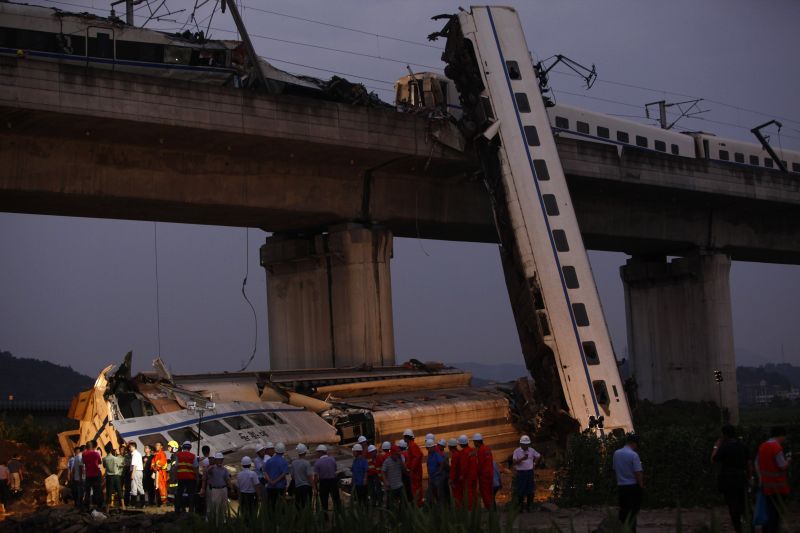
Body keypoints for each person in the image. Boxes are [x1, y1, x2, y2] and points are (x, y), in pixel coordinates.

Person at [711, 425, 750, 533]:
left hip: (728, 480)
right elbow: (748, 464)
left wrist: (716, 446)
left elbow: (713, 459)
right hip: (741, 478)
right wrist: (749, 477)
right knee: (743, 504)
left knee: (732, 506)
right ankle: (747, 525)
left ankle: (738, 528)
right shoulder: (743, 446)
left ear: (724, 435)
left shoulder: (724, 447)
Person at [757, 426, 792, 533]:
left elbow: (757, 463)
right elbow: (782, 466)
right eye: (784, 436)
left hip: (766, 485)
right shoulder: (776, 448)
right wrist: (789, 460)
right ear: (780, 435)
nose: (784, 439)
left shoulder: (762, 446)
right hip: (777, 486)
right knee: (776, 513)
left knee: (768, 511)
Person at [612, 434, 643, 532]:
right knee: (632, 513)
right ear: (634, 444)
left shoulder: (616, 453)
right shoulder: (634, 455)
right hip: (632, 487)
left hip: (621, 487)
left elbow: (615, 469)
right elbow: (638, 472)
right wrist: (641, 486)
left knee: (623, 512)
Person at [512, 435, 541, 512]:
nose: (526, 446)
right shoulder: (516, 451)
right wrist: (522, 459)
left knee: (530, 489)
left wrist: (534, 464)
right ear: (521, 444)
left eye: (527, 444)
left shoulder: (531, 450)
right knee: (521, 489)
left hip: (529, 472)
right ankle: (520, 507)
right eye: (524, 444)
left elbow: (538, 456)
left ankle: (529, 506)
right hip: (521, 473)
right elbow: (514, 462)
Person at [202, 453, 229, 526]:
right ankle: (209, 520)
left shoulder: (222, 468)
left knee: (220, 505)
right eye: (210, 458)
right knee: (210, 505)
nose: (211, 459)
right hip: (210, 488)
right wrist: (203, 489)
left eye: (212, 458)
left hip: (217, 489)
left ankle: (221, 520)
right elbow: (205, 477)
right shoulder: (209, 468)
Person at [174, 441, 199, 514]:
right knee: (191, 495)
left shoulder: (178, 455)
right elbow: (196, 468)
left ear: (183, 447)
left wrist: (175, 477)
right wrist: (197, 478)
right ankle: (191, 510)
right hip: (191, 478)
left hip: (181, 478)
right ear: (190, 448)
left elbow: (176, 467)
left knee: (179, 494)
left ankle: (180, 510)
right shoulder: (193, 456)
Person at [314, 444, 340, 511]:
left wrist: (315, 486)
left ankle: (325, 517)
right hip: (333, 481)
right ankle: (339, 514)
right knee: (336, 499)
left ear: (321, 452)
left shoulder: (317, 463)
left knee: (324, 500)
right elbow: (335, 470)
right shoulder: (332, 459)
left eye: (317, 452)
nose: (317, 453)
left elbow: (316, 477)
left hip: (323, 482)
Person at [382, 445, 407, 511]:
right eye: (396, 454)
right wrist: (386, 482)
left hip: (400, 486)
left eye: (398, 454)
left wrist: (401, 459)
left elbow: (404, 469)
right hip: (391, 487)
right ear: (392, 453)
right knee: (391, 506)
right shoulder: (387, 461)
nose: (397, 456)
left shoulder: (399, 460)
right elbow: (383, 472)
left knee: (403, 504)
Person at [402, 429, 424, 506]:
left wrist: (411, 469)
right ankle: (418, 503)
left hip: (415, 472)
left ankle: (418, 504)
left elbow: (417, 457)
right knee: (415, 487)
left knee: (416, 487)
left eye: (404, 437)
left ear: (407, 437)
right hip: (415, 471)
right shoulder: (411, 445)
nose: (403, 439)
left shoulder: (412, 445)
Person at [264, 442, 289, 510]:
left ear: (275, 450)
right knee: (280, 507)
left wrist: (271, 482)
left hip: (270, 487)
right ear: (283, 451)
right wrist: (275, 481)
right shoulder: (284, 461)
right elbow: (284, 474)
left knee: (271, 506)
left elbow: (265, 473)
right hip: (280, 487)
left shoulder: (269, 461)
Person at [456, 434, 478, 510]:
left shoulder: (463, 453)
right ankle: (476, 508)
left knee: (469, 493)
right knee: (474, 491)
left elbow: (464, 466)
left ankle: (470, 509)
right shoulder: (472, 451)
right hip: (474, 474)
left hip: (467, 476)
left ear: (461, 444)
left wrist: (461, 475)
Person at [289, 444, 314, 509]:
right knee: (307, 505)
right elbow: (309, 477)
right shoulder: (307, 463)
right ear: (305, 452)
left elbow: (292, 476)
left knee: (298, 506)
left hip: (297, 487)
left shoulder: (293, 463)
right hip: (306, 487)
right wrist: (314, 487)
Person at [473, 433, 494, 510]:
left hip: (483, 475)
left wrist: (476, 473)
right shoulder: (487, 449)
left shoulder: (480, 451)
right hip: (490, 473)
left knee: (485, 492)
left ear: (477, 442)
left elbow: (480, 464)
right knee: (489, 491)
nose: (474, 444)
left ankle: (488, 508)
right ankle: (491, 506)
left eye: (474, 442)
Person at [82, 441, 103, 511]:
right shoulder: (96, 453)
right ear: (92, 446)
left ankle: (87, 506)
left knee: (87, 491)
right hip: (96, 474)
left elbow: (83, 462)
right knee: (97, 490)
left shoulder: (84, 454)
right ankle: (97, 506)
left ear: (87, 447)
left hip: (88, 475)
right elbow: (100, 462)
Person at [236, 456, 259, 520]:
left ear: (242, 465)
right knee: (253, 512)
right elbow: (256, 485)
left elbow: (238, 488)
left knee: (244, 512)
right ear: (250, 464)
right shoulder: (253, 474)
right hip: (252, 495)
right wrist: (259, 496)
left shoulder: (239, 474)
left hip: (243, 495)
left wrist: (239, 497)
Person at [425, 438, 446, 505]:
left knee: (439, 493)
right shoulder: (429, 455)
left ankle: (441, 506)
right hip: (432, 478)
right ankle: (436, 505)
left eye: (429, 447)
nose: (428, 449)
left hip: (436, 478)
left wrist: (439, 472)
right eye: (427, 448)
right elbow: (428, 464)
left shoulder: (436, 454)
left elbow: (442, 463)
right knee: (433, 493)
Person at [128, 442, 145, 509]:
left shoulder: (135, 454)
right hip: (140, 472)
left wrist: (132, 474)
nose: (129, 448)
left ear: (133, 447)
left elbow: (134, 465)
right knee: (140, 487)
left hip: (136, 472)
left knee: (134, 488)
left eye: (130, 447)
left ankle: (133, 505)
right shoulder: (138, 453)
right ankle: (143, 504)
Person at [448, 438, 462, 508]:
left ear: (450, 447)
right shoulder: (459, 453)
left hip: (456, 480)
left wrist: (451, 479)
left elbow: (454, 468)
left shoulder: (455, 455)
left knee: (457, 496)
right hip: (459, 478)